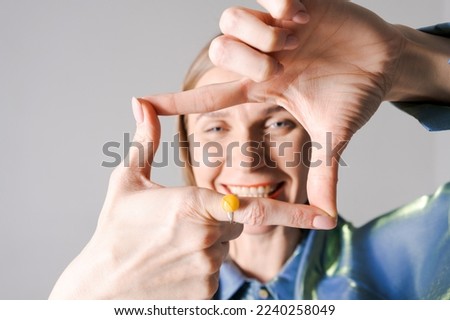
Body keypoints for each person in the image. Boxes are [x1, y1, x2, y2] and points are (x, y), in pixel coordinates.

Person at [49, 0, 450, 299]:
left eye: (278, 123)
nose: (247, 157)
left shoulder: (414, 257)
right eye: (217, 128)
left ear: (316, 138)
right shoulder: (139, 292)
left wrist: (407, 60)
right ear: (188, 153)